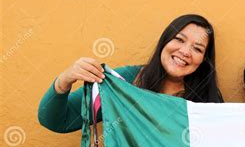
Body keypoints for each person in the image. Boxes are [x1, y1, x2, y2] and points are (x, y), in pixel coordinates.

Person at [38, 14, 223, 133]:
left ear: (204, 59)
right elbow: (56, 121)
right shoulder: (125, 81)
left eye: (197, 49)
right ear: (164, 41)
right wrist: (65, 80)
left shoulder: (208, 99)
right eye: (179, 40)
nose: (185, 52)